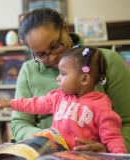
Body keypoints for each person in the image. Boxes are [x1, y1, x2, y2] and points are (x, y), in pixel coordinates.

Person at [12, 7, 130, 153]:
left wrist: (108, 149)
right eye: (41, 55)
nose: (53, 58)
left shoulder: (108, 61)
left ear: (65, 29)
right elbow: (20, 123)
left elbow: (127, 122)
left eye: (55, 46)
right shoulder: (28, 70)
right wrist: (46, 141)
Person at [0, 47, 127, 153]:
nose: (58, 78)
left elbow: (113, 138)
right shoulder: (57, 97)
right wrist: (10, 103)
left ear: (84, 79)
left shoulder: (101, 106)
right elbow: (35, 103)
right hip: (56, 155)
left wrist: (117, 156)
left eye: (63, 73)